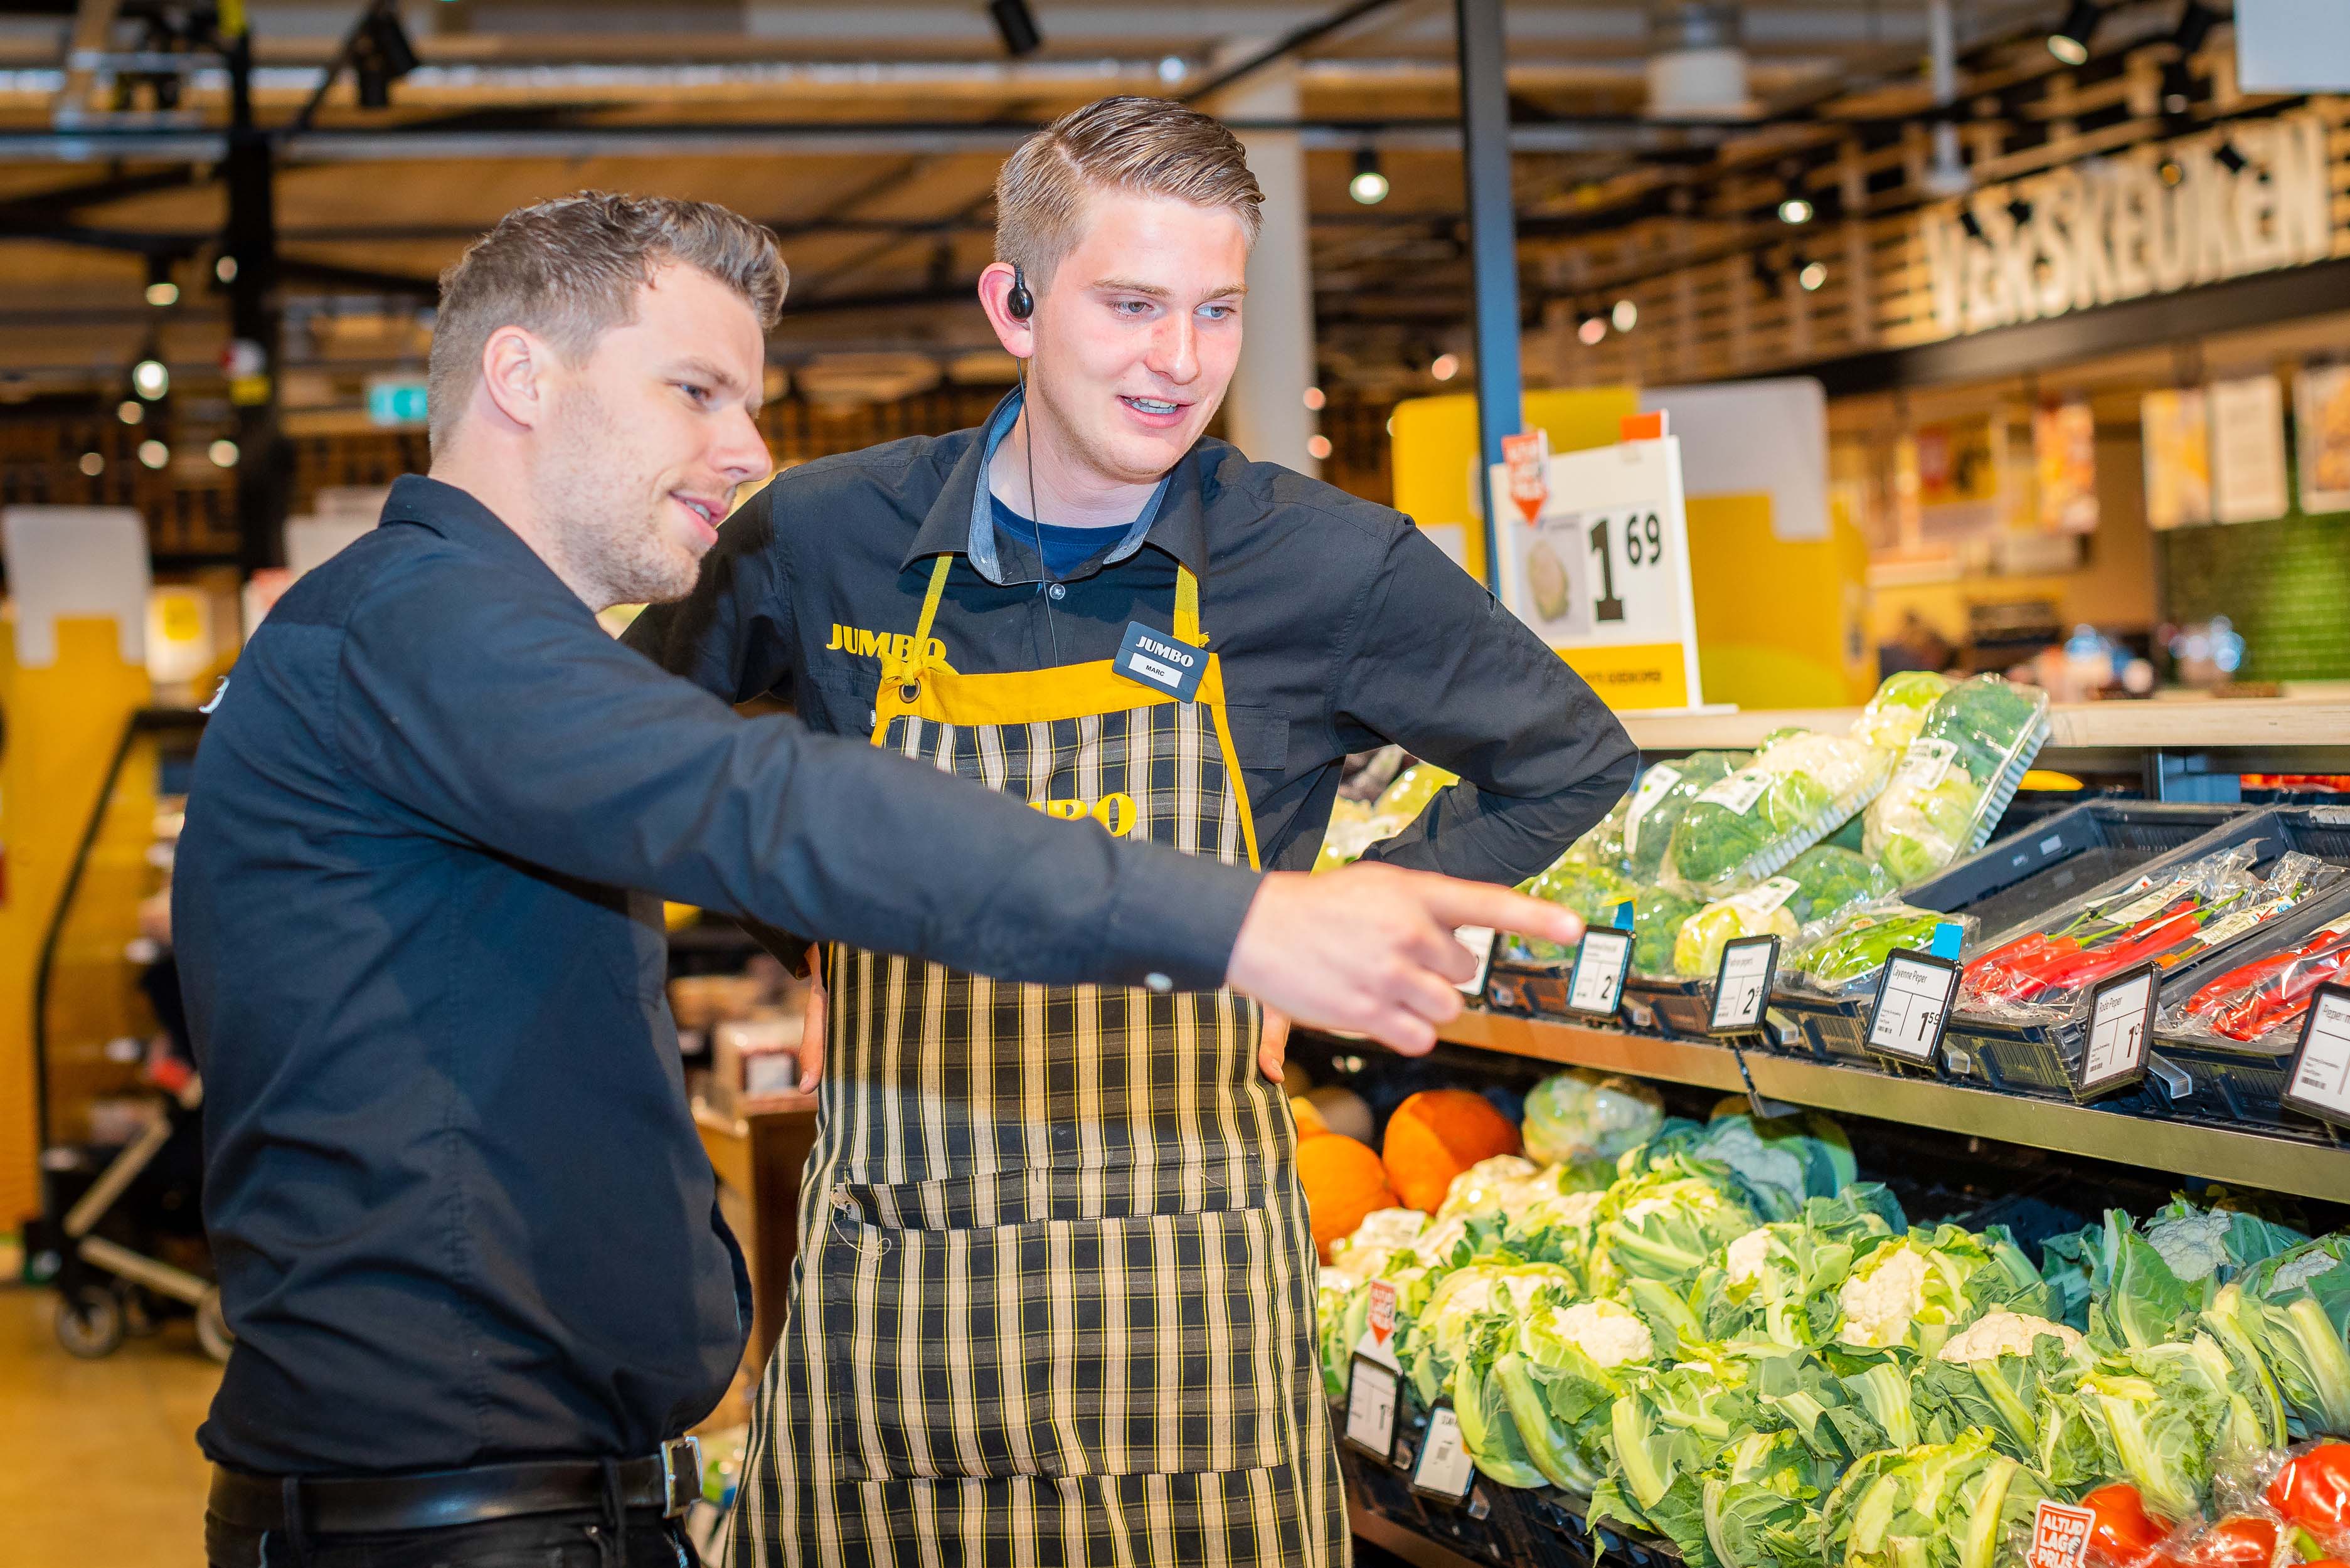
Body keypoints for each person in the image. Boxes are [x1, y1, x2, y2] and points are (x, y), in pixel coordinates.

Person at [175, 192, 1591, 1568]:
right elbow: (754, 797)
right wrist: (1247, 918)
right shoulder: (427, 629)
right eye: (695, 391)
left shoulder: (444, 632)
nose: (747, 451)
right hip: (455, 1511)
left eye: (1215, 309)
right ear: (521, 374)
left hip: (538, 1485)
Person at [626, 98, 1638, 1567]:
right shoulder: (823, 536)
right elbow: (628, 752)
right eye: (1131, 304)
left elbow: (1568, 760)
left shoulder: (1330, 565)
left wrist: (1332, 925)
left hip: (1193, 1307)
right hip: (900, 1294)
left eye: (1216, 310)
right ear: (1014, 305)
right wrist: (809, 923)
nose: (1179, 360)